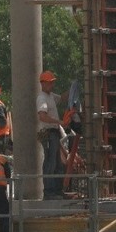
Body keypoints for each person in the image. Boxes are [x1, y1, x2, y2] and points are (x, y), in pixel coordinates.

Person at [37, 70, 68, 198]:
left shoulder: (50, 96)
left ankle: (57, 191)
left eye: (52, 83)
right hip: (48, 133)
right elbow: (42, 117)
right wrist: (59, 121)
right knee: (50, 163)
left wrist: (72, 91)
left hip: (53, 133)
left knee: (57, 163)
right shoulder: (42, 98)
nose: (52, 85)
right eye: (49, 83)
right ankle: (49, 193)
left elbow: (61, 98)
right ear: (43, 84)